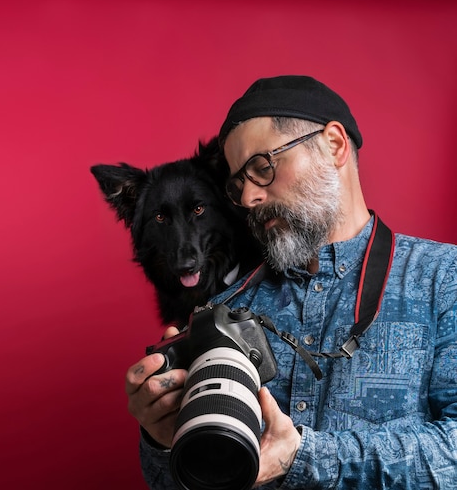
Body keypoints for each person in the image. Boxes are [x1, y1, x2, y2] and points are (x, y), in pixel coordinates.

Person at [125, 75, 457, 489]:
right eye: (237, 184)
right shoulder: (220, 311)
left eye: (261, 167)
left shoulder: (445, 278)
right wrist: (161, 440)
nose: (248, 198)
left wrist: (303, 457)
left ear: (334, 145)